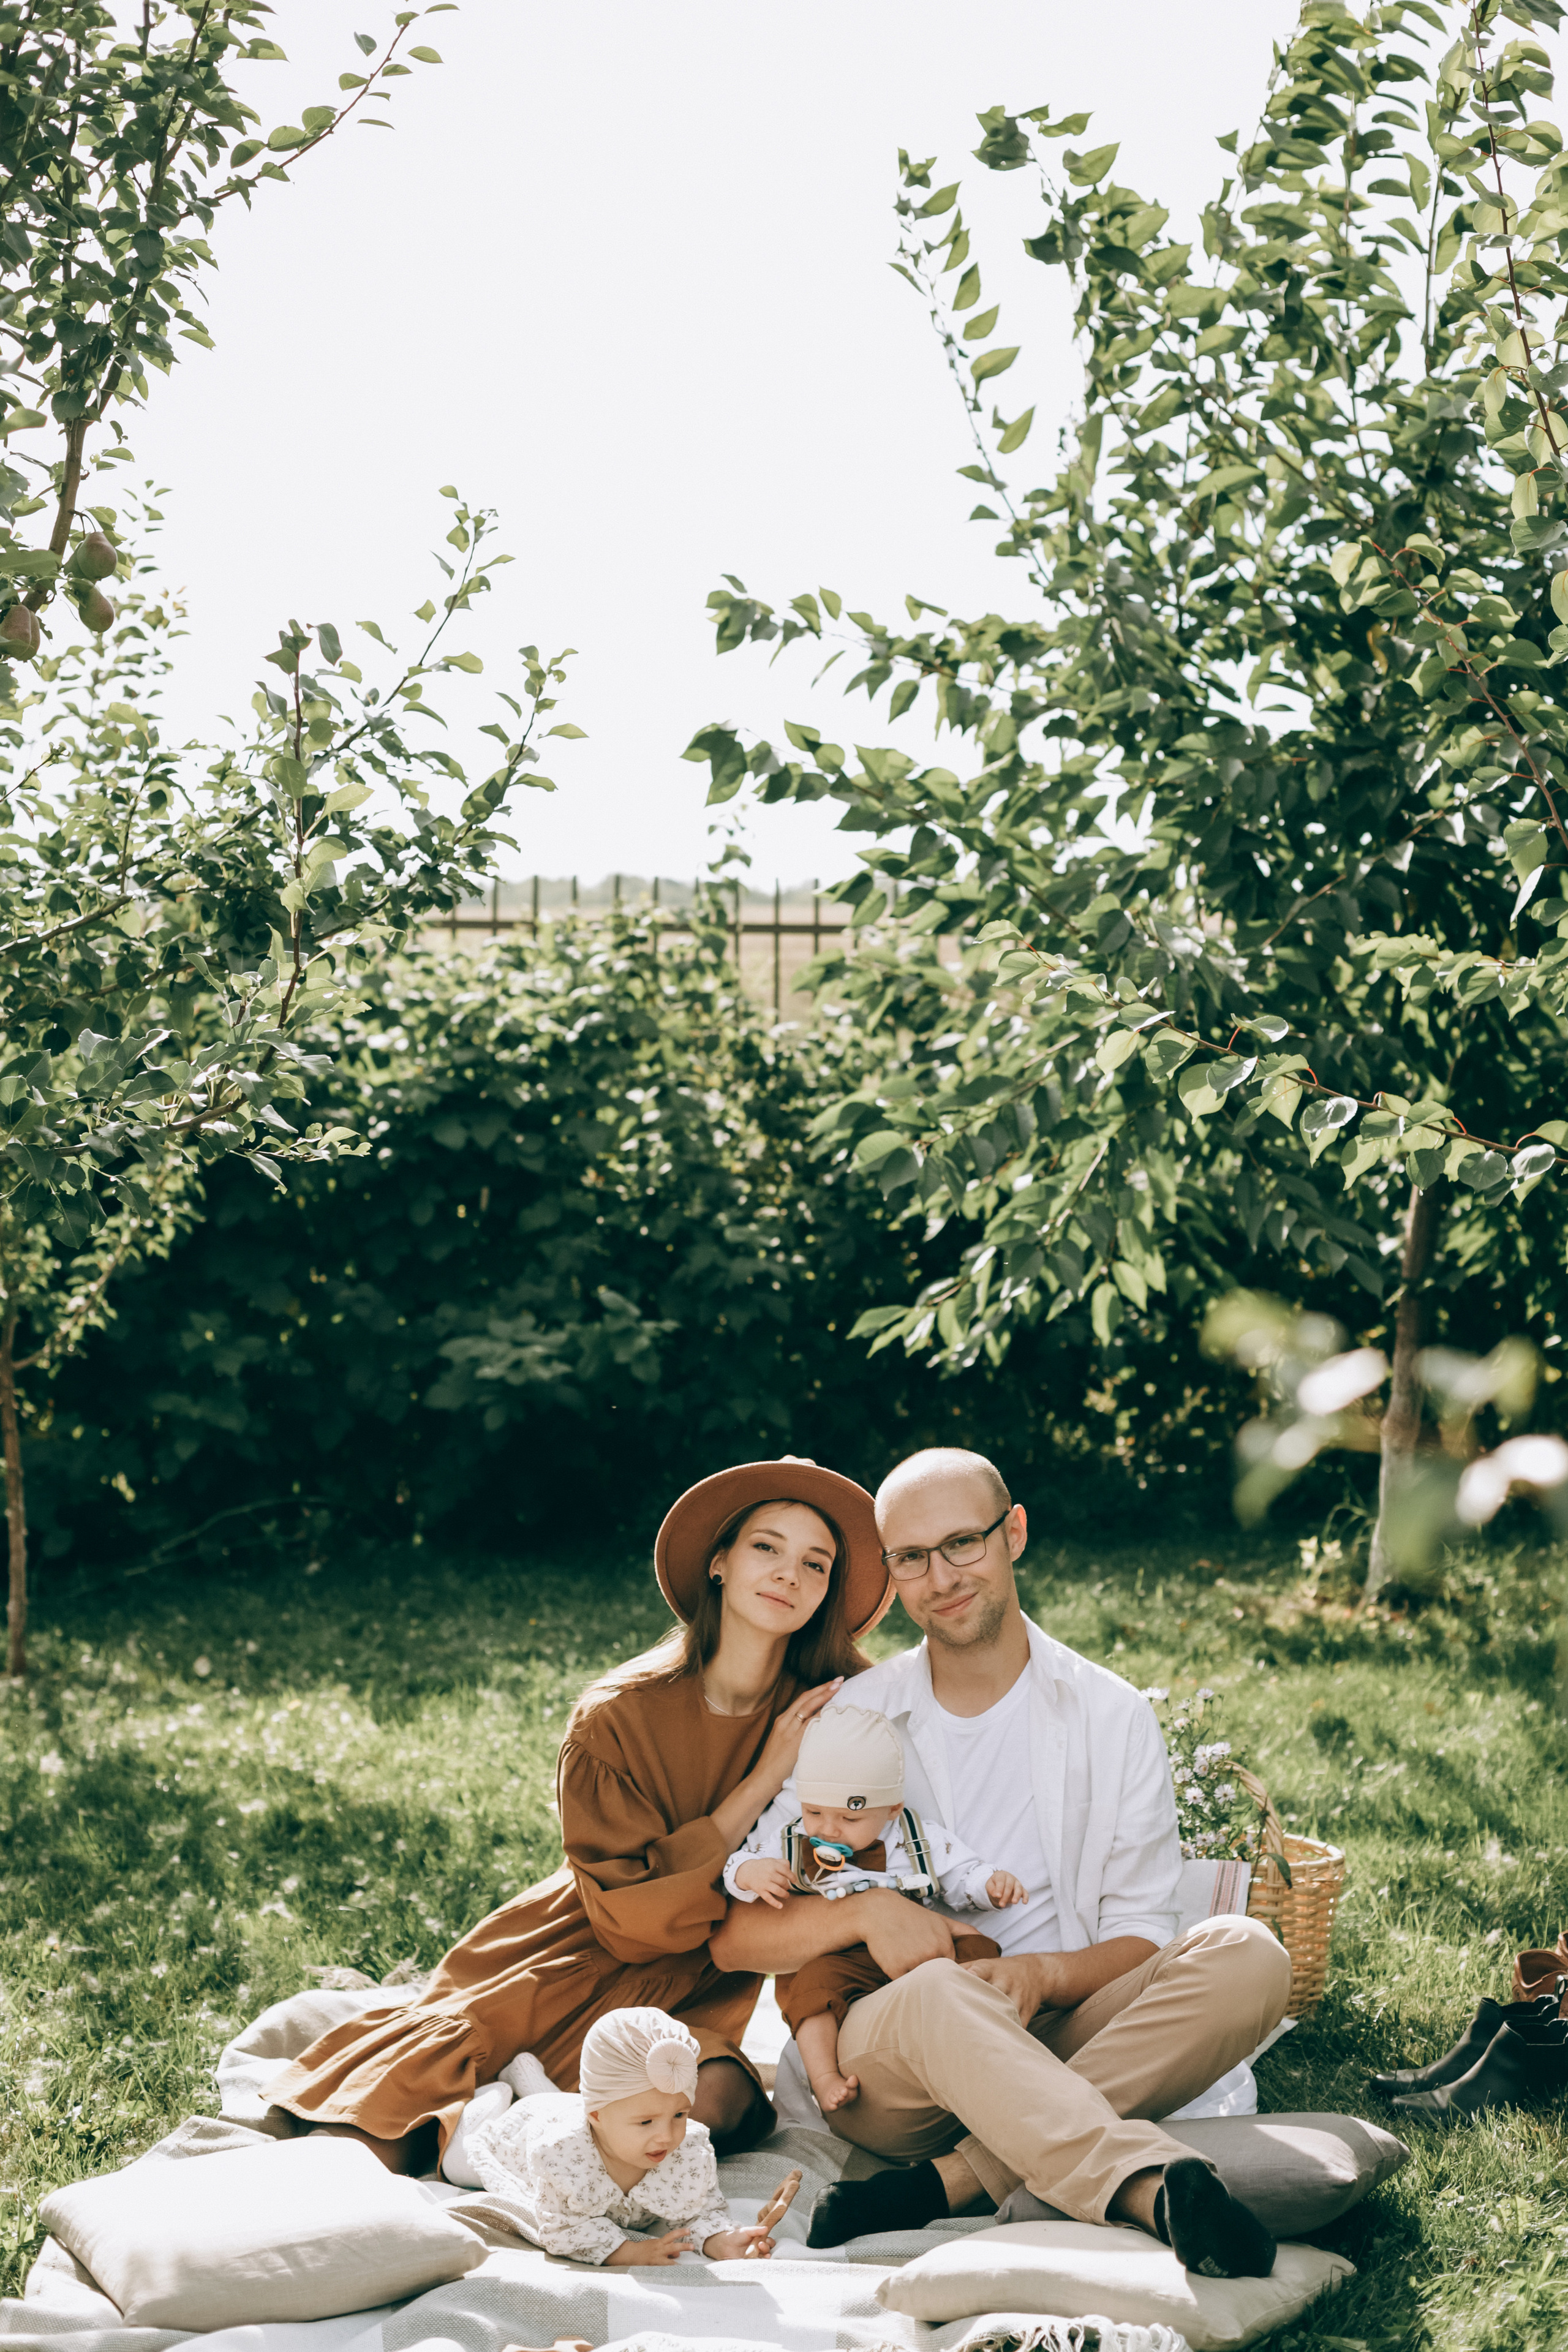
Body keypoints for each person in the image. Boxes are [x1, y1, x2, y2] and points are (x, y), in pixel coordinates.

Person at [710, 1447, 1292, 2281]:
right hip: (897, 2061)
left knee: (1248, 1953)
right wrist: (870, 1912)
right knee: (941, 1987)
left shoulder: (1110, 1713)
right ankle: (1143, 2191)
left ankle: (951, 2184)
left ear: (1013, 1533)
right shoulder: (854, 1718)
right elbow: (736, 1937)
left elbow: (1140, 1936)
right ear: (891, 1572)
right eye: (912, 1557)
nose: (942, 1577)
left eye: (962, 1544)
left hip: (1063, 2032)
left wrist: (1042, 1976)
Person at [266, 1458, 894, 2174]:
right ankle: (498, 2113)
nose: (789, 1574)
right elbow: (630, 1922)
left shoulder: (836, 1713)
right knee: (373, 2144)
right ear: (718, 1563)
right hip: (573, 1951)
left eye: (815, 1563)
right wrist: (764, 1777)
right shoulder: (616, 1715)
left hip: (692, 1989)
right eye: (766, 1546)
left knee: (716, 2105)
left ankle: (526, 2127)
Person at [723, 1700, 1024, 2113]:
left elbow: (960, 1874)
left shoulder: (916, 1838)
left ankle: (985, 2031)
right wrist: (750, 1873)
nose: (828, 1829)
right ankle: (824, 2077)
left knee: (979, 1948)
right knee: (810, 1994)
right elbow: (736, 1863)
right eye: (814, 1812)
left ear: (892, 1809)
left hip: (914, 1948)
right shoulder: (792, 1841)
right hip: (836, 1958)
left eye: (849, 1820)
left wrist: (989, 1885)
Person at [466, 2005, 776, 2265]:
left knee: (572, 2104)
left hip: (587, 2111)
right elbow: (561, 2229)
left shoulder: (686, 2151)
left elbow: (698, 2212)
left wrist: (721, 2240)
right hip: (528, 2124)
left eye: (680, 2115)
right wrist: (630, 2252)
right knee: (463, 2162)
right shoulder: (560, 2156)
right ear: (596, 2116)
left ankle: (531, 2079)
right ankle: (497, 2096)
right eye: (646, 2122)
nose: (666, 2137)